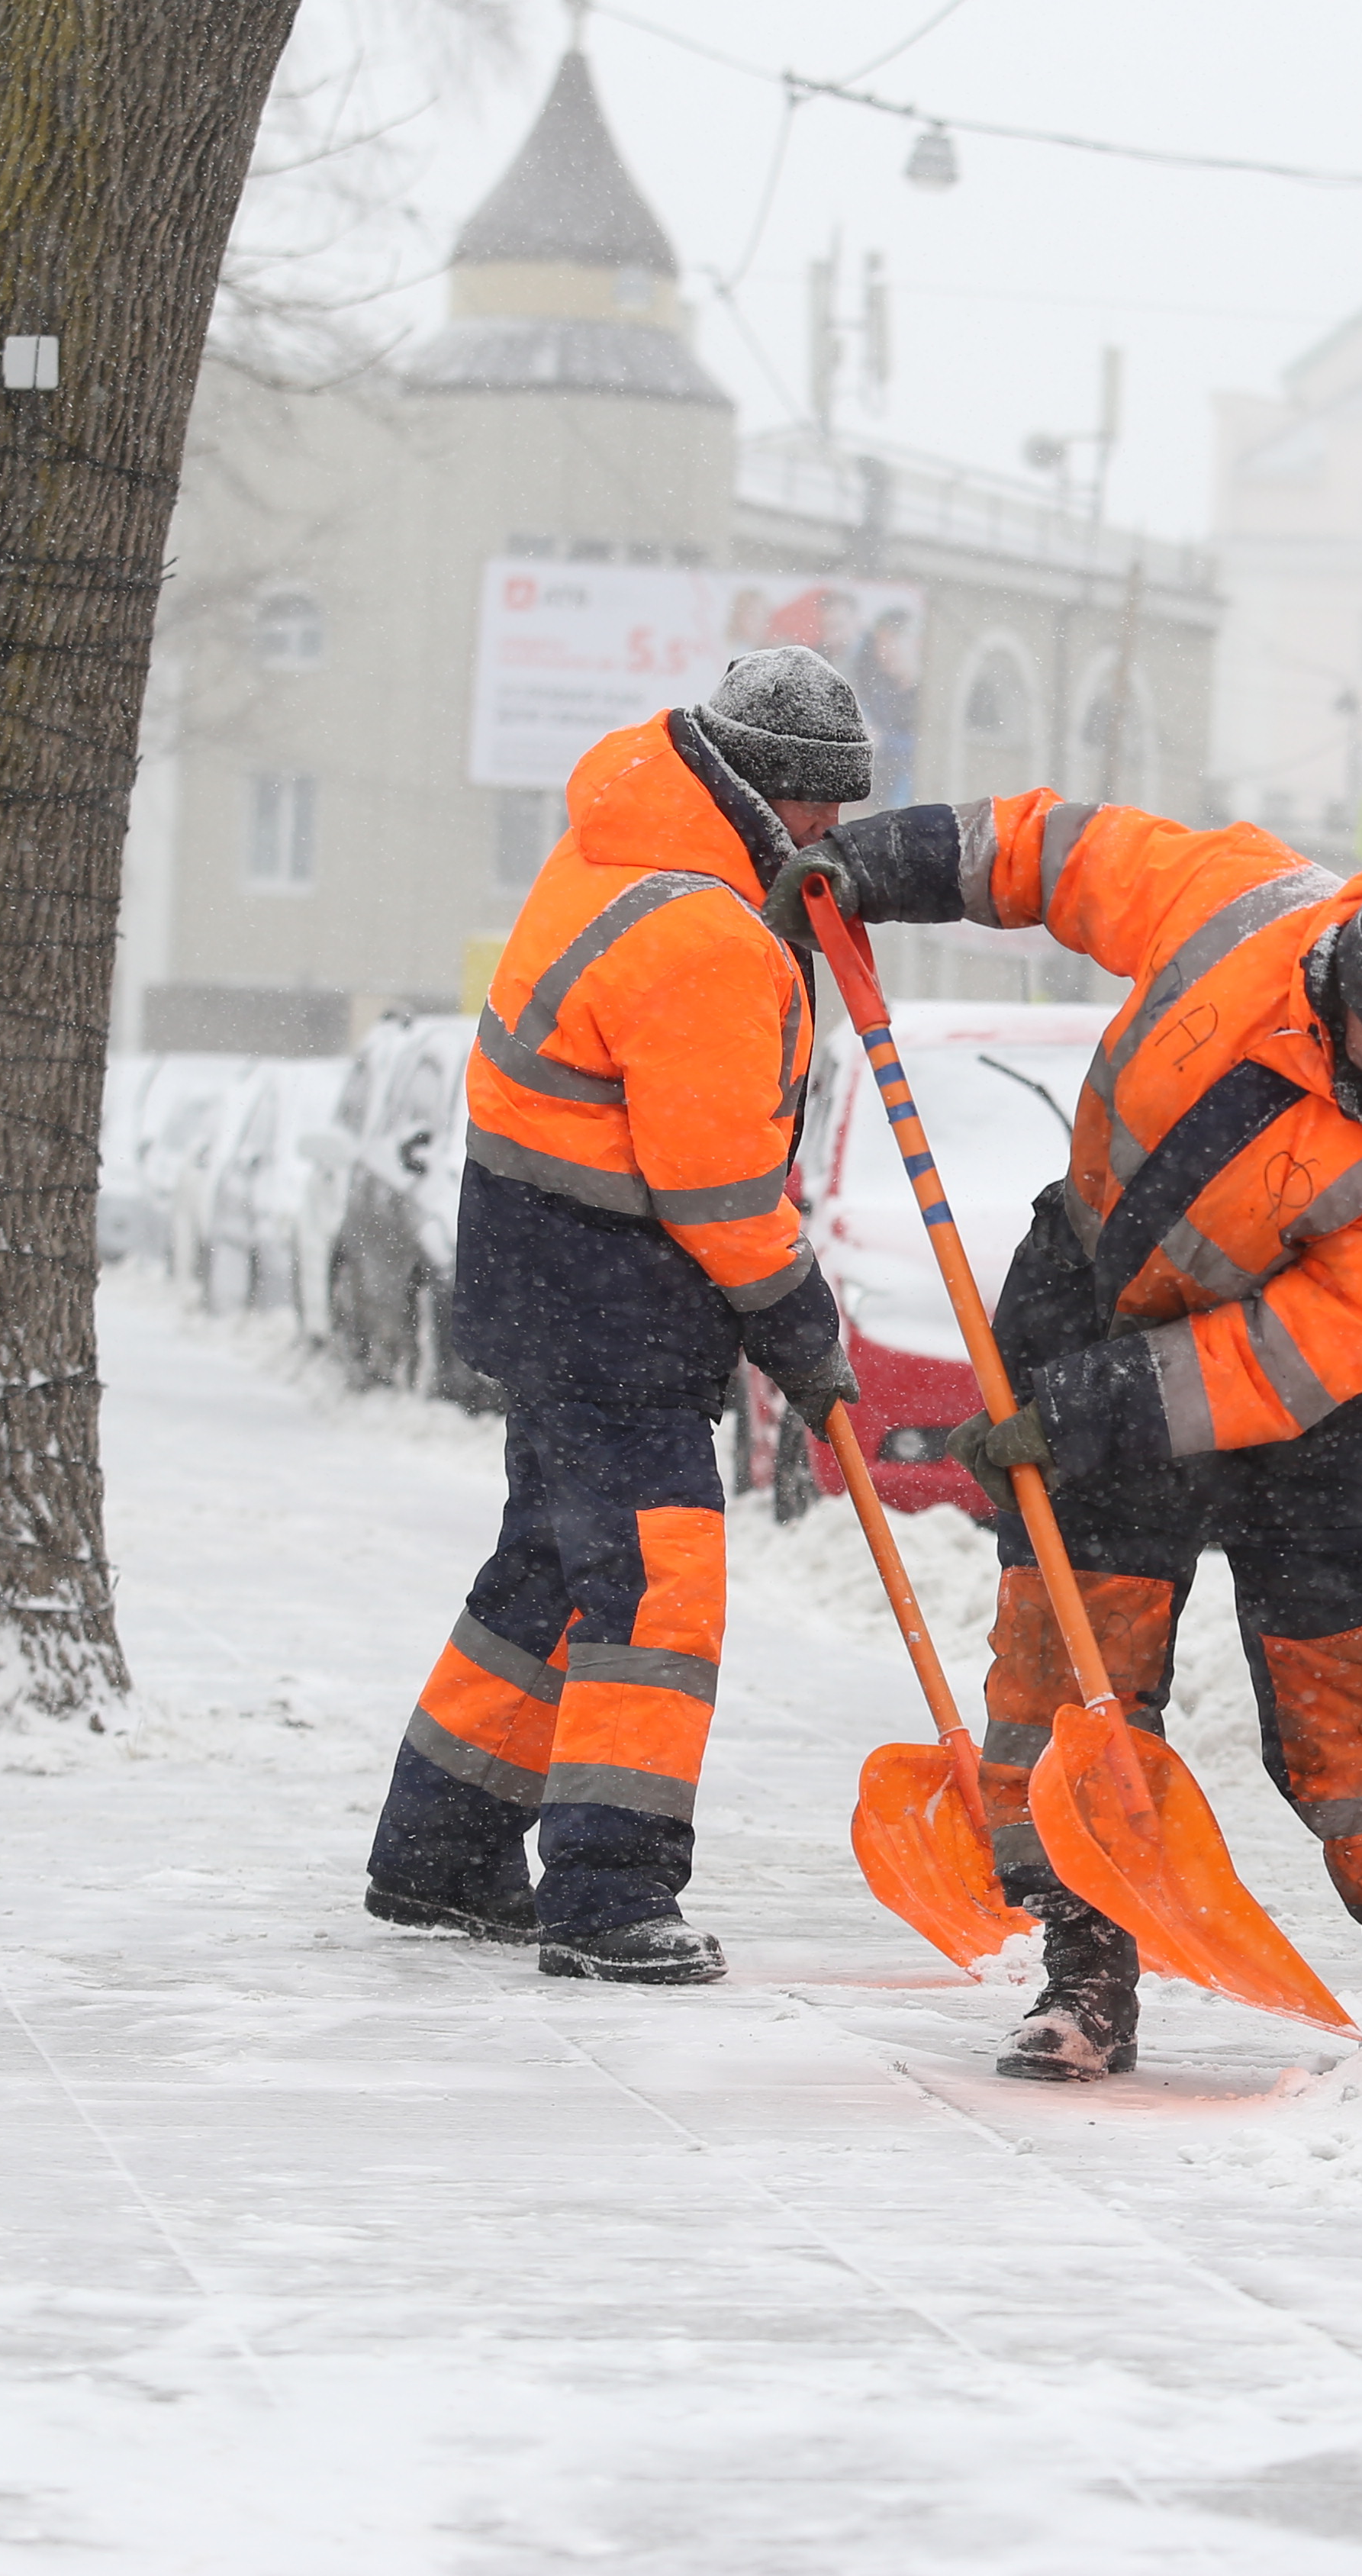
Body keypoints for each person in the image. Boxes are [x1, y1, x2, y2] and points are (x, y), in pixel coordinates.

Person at [781, 791, 1362, 2078]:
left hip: (1324, 1397)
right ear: (1340, 972)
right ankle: (1084, 1971)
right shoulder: (1244, 906)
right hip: (1093, 1279)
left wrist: (1089, 1408)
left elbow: (1296, 1353)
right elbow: (1058, 854)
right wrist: (886, 864)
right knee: (1074, 1639)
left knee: (1357, 1662)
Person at [359, 646, 871, 1986]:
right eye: (824, 807)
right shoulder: (702, 932)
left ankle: (438, 1855)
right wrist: (803, 1331)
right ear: (773, 793)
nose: (834, 834)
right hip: (613, 1308)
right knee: (656, 1590)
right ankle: (608, 1896)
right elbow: (720, 1190)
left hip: (544, 1286)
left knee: (545, 1579)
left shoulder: (618, 848)